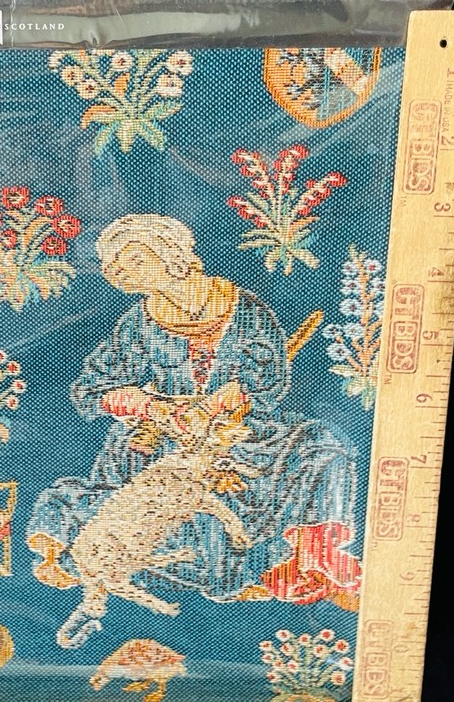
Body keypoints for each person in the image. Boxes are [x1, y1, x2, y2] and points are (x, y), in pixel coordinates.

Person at [28, 214, 361, 649]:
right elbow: (93, 389)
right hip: (160, 441)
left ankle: (313, 559)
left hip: (240, 432)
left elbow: (269, 380)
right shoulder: (137, 322)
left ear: (170, 255)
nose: (120, 272)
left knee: (325, 445)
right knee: (161, 501)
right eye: (114, 265)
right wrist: (153, 407)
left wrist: (219, 403)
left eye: (132, 260)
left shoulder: (245, 310)